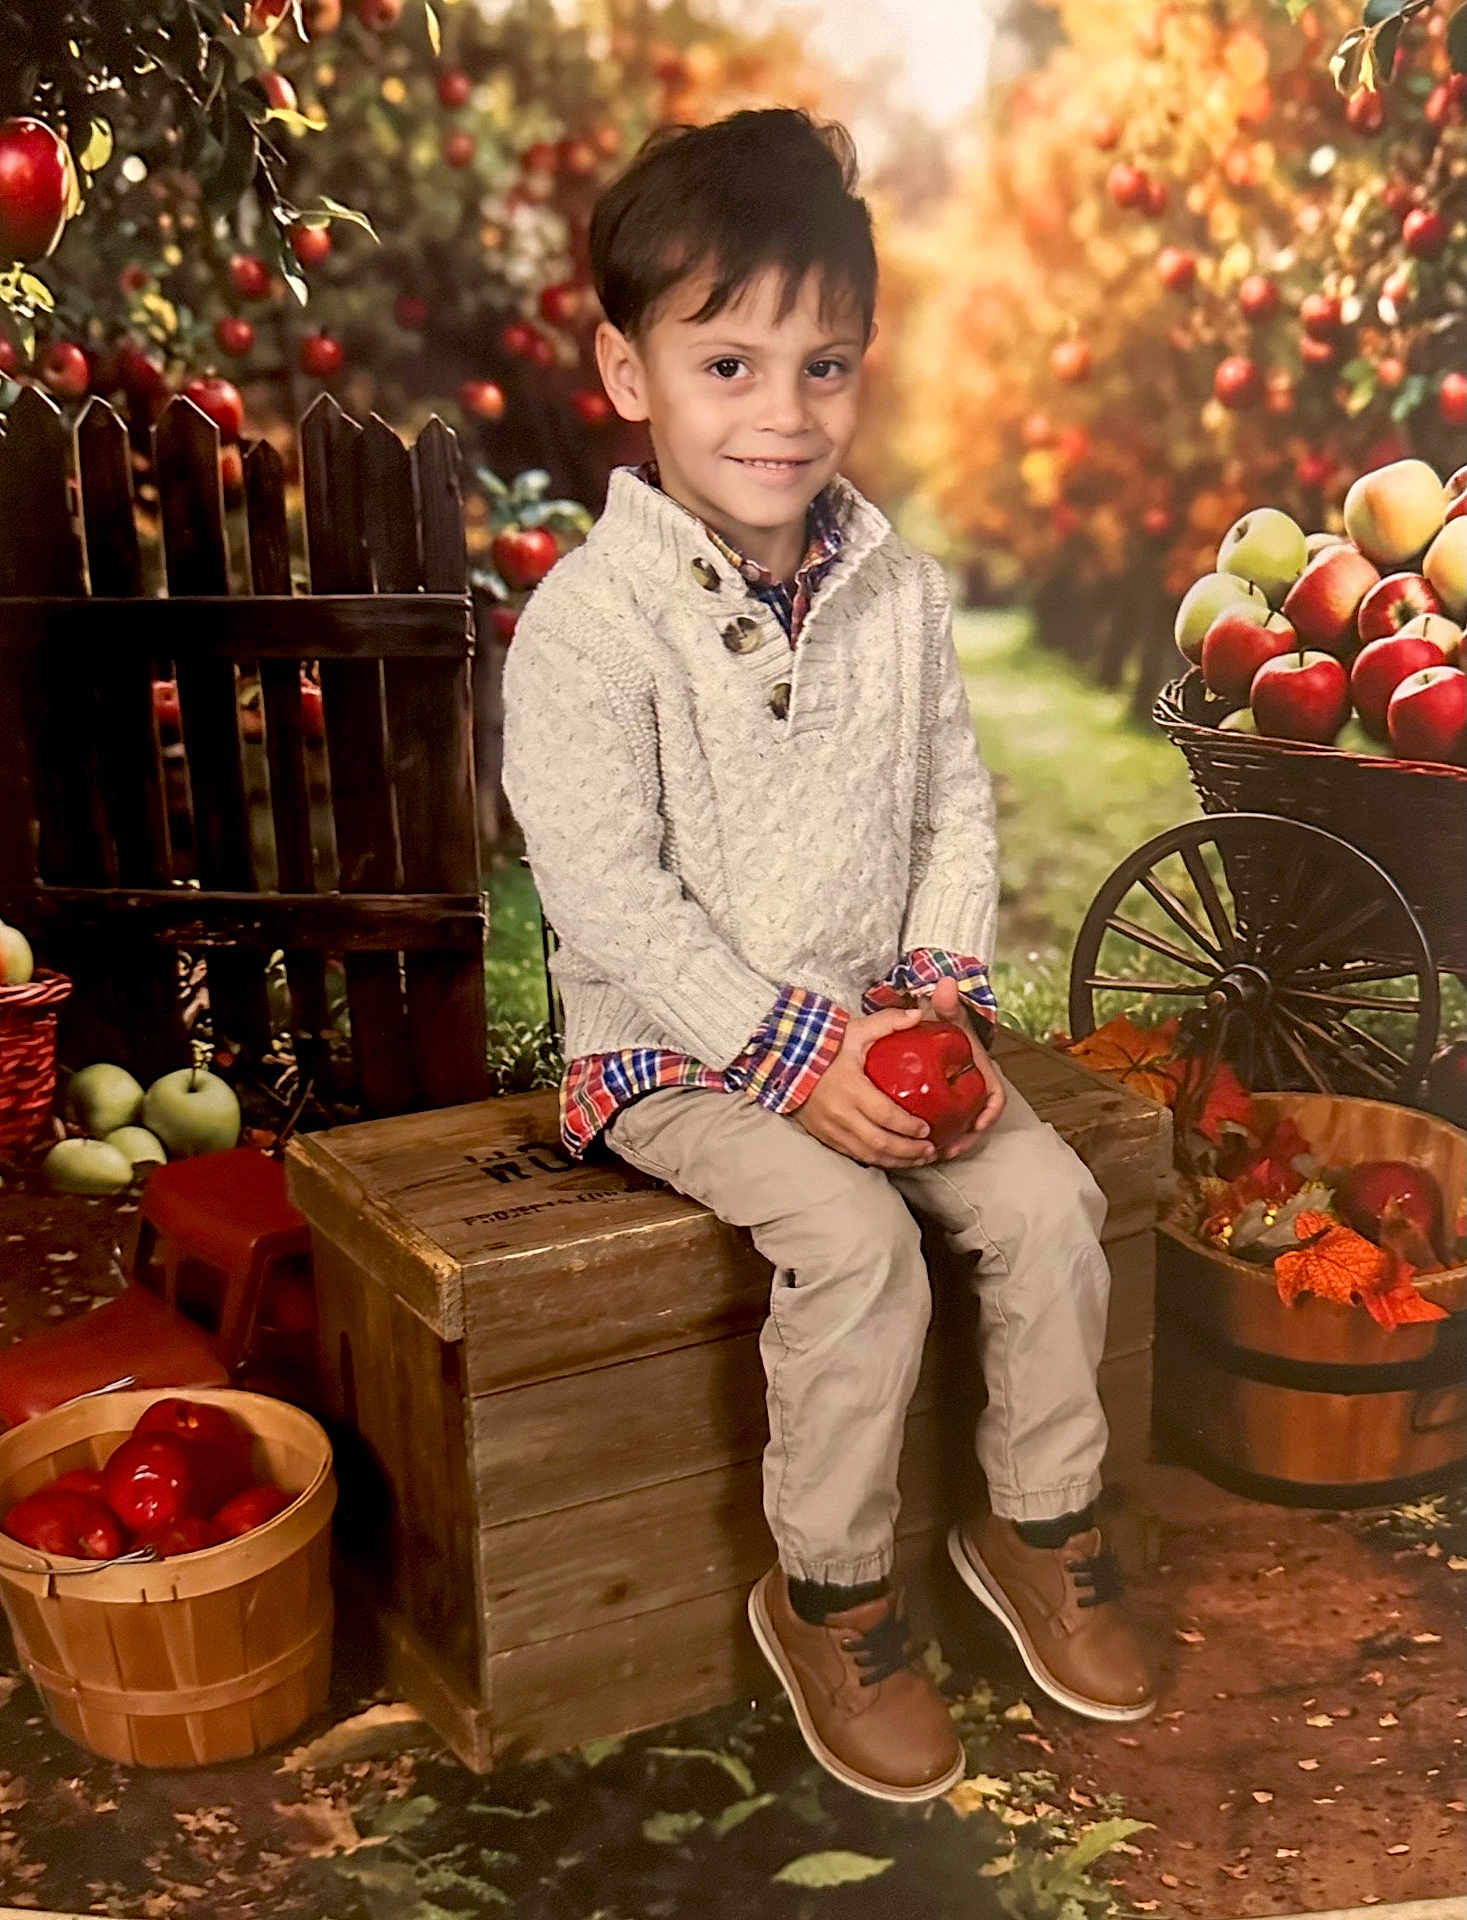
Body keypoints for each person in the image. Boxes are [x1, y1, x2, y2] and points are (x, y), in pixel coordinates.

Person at [501, 105, 1155, 1805]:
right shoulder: (588, 625)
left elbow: (953, 795)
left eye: (824, 367)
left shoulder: (899, 590)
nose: (781, 416)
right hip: (677, 1050)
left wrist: (933, 986)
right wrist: (789, 1056)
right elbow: (609, 892)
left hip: (884, 1021)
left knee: (1047, 1206)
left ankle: (1037, 1521)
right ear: (627, 371)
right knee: (857, 1243)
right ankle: (833, 1597)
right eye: (728, 365)